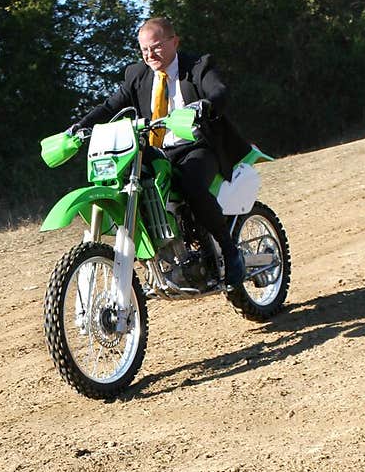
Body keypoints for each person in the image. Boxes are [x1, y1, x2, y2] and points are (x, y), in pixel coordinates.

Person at [75, 16, 249, 286]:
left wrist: (205, 106)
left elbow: (220, 91)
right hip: (158, 151)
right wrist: (79, 127)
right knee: (131, 187)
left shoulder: (198, 66)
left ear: (174, 41)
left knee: (191, 183)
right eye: (144, 49)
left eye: (155, 46)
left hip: (198, 145)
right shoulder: (137, 75)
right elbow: (111, 106)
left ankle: (229, 249)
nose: (149, 54)